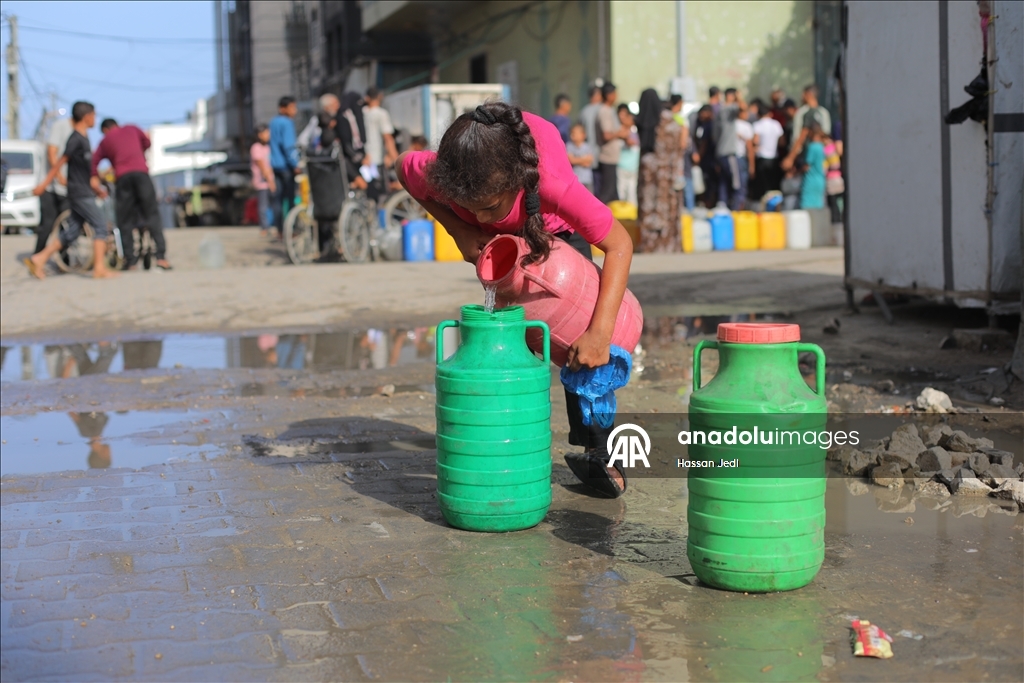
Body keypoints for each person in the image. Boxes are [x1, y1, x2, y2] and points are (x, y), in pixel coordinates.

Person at [395, 101, 636, 497]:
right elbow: (402, 165)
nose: (485, 219)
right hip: (506, 248)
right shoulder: (445, 173)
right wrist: (456, 227)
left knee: (580, 339)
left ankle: (602, 453)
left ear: (517, 182)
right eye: (471, 209)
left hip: (556, 235)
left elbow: (619, 243)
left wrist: (600, 331)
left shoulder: (551, 184)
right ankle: (508, 440)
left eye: (490, 207)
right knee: (511, 330)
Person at [27, 101, 116, 280]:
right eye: (94, 115)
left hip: (84, 190)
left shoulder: (84, 139)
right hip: (78, 193)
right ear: (87, 117)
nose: (95, 119)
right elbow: (60, 162)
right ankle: (99, 268)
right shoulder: (75, 139)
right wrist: (44, 185)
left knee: (72, 232)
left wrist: (96, 188)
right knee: (99, 225)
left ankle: (39, 258)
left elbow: (83, 171)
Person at [91, 118, 172, 270]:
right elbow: (147, 143)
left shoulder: (105, 140)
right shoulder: (132, 128)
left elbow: (94, 162)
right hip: (142, 174)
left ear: (105, 130)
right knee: (152, 215)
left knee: (124, 220)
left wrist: (97, 177)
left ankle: (131, 261)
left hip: (123, 178)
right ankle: (161, 257)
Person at [636, 89, 683, 253]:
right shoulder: (670, 122)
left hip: (648, 176)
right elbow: (679, 149)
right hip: (667, 175)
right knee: (667, 207)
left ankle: (649, 243)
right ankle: (667, 244)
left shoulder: (642, 121)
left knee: (648, 206)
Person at [34, 112, 74, 255]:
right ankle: (37, 257)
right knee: (48, 224)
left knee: (66, 226)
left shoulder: (81, 133)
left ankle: (64, 259)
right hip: (50, 187)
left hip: (65, 189)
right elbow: (52, 152)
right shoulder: (61, 126)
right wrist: (58, 176)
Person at [270, 96, 299, 238]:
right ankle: (290, 229)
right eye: (292, 107)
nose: (295, 111)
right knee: (290, 199)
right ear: (283, 108)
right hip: (287, 166)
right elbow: (289, 147)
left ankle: (279, 229)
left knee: (279, 200)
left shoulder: (273, 122)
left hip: (275, 166)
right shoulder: (287, 123)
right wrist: (296, 164)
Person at [596, 82, 630, 204]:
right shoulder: (604, 111)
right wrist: (619, 134)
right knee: (607, 194)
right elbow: (606, 135)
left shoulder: (610, 110)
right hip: (607, 158)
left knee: (614, 195)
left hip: (613, 158)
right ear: (609, 95)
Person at [363, 86, 398, 193]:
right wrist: (396, 158)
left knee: (369, 191)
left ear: (366, 98)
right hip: (377, 159)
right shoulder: (381, 114)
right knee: (381, 192)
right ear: (380, 97)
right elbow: (388, 137)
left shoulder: (363, 113)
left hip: (364, 157)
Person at [713, 87, 744, 210]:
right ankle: (736, 209)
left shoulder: (719, 111)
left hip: (720, 152)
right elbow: (743, 107)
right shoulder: (729, 108)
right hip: (729, 152)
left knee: (723, 182)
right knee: (737, 183)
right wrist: (739, 96)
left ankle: (722, 206)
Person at [750, 102, 784, 202]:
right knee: (772, 186)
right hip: (774, 158)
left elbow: (755, 141)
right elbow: (782, 142)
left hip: (762, 158)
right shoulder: (776, 124)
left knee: (762, 187)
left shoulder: (757, 125)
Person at [668, 95, 695, 211]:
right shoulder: (681, 120)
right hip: (680, 158)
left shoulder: (666, 118)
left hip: (668, 157)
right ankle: (689, 210)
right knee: (686, 183)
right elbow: (683, 143)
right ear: (679, 103)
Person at [250, 123, 276, 236]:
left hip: (271, 180)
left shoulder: (268, 147)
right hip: (262, 182)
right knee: (263, 206)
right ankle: (264, 228)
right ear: (260, 135)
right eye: (266, 132)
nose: (268, 135)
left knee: (273, 206)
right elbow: (262, 166)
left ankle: (274, 227)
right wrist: (271, 182)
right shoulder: (256, 147)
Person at [579, 85, 604, 196]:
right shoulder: (603, 109)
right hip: (601, 151)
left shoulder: (583, 112)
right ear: (597, 95)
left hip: (586, 152)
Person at [692, 105, 717, 207]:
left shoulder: (709, 125)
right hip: (710, 158)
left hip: (710, 159)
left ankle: (709, 202)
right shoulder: (705, 125)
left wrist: (699, 156)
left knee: (709, 182)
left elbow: (704, 143)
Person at [616, 104, 640, 206]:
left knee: (631, 192)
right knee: (622, 192)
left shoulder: (635, 131)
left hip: (633, 168)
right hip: (622, 166)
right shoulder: (620, 131)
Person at [799, 122, 826, 210]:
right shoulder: (823, 146)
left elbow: (807, 165)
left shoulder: (812, 147)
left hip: (811, 180)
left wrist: (797, 171)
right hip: (821, 179)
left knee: (808, 207)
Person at [734, 105, 754, 210]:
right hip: (740, 158)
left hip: (729, 158)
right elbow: (749, 148)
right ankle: (739, 209)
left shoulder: (730, 125)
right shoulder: (746, 126)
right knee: (741, 187)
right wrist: (752, 165)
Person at [566, 123, 594, 193]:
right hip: (575, 179)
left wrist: (577, 160)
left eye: (574, 133)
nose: (572, 135)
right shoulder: (569, 146)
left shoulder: (587, 147)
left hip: (587, 179)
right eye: (571, 133)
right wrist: (583, 160)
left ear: (583, 135)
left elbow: (589, 161)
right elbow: (571, 160)